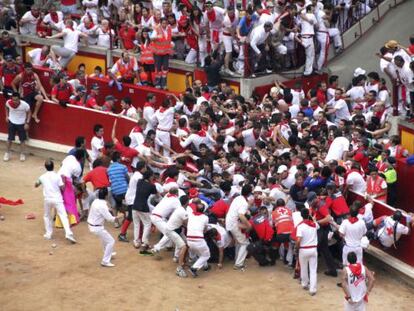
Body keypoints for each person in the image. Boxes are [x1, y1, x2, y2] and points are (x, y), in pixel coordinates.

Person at [35, 159, 77, 243]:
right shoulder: (57, 176)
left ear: (45, 167)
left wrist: (39, 182)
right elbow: (62, 188)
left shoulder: (42, 177)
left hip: (47, 199)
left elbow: (36, 185)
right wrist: (64, 182)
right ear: (53, 167)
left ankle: (48, 234)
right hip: (57, 199)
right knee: (63, 216)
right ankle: (68, 233)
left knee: (47, 216)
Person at [87, 187, 123, 267]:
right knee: (111, 241)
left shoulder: (96, 201)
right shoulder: (103, 206)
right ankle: (105, 261)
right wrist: (119, 216)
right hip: (97, 227)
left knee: (104, 239)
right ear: (106, 195)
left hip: (91, 225)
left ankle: (108, 252)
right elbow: (110, 219)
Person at [225, 184, 252, 270]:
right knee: (245, 243)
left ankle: (237, 259)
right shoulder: (244, 202)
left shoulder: (238, 198)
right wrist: (248, 225)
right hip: (233, 223)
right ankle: (238, 264)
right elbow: (241, 215)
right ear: (249, 194)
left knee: (239, 242)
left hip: (229, 222)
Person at [132, 169, 158, 253]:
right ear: (150, 176)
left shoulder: (139, 181)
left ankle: (136, 242)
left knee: (136, 224)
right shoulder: (151, 186)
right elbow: (156, 194)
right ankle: (144, 242)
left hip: (134, 206)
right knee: (147, 224)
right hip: (143, 207)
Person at [295, 208, 318, 296]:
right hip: (313, 249)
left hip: (304, 249)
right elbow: (315, 223)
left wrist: (297, 247)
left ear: (301, 216)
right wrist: (312, 218)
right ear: (309, 214)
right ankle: (312, 289)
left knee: (304, 268)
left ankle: (305, 284)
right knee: (313, 270)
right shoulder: (314, 225)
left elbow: (298, 240)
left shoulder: (300, 226)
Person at [3, 92, 31, 162]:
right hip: (12, 122)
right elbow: (6, 107)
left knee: (22, 140)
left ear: (19, 99)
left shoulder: (25, 105)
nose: (14, 101)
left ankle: (22, 154)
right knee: (9, 139)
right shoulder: (8, 102)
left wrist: (27, 122)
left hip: (21, 123)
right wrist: (7, 116)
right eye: (13, 100)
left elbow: (29, 113)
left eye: (16, 100)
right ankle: (7, 153)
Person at [187, 199, 210, 277]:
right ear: (203, 210)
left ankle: (206, 267)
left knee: (202, 254)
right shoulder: (205, 217)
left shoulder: (190, 215)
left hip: (189, 239)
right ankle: (193, 268)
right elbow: (205, 230)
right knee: (206, 255)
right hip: (198, 240)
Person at [150, 17, 174, 89]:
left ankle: (164, 84)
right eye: (163, 23)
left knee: (165, 68)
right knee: (158, 68)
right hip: (157, 52)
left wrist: (171, 44)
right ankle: (158, 83)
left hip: (166, 51)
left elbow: (169, 38)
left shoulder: (169, 28)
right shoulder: (157, 29)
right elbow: (151, 38)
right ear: (160, 23)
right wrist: (157, 37)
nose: (164, 25)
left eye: (166, 23)